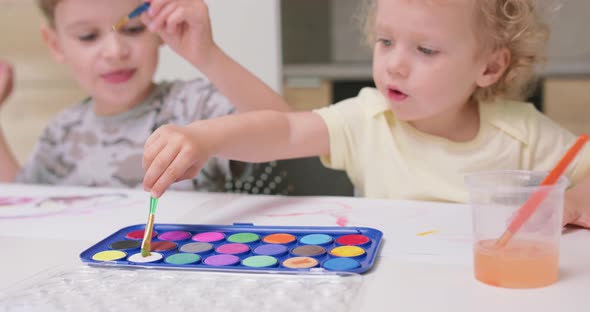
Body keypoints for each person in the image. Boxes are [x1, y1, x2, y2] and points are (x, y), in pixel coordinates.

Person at [142, 0, 590, 228]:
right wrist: (206, 137)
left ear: (489, 66)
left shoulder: (522, 133)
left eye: (426, 49)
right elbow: (283, 127)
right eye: (385, 41)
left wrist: (575, 199)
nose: (394, 63)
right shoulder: (368, 118)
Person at [0, 0, 289, 192]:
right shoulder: (62, 132)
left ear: (158, 29)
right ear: (56, 44)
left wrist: (206, 54)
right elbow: (21, 199)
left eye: (134, 29)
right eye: (88, 36)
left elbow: (290, 134)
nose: (115, 51)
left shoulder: (195, 105)